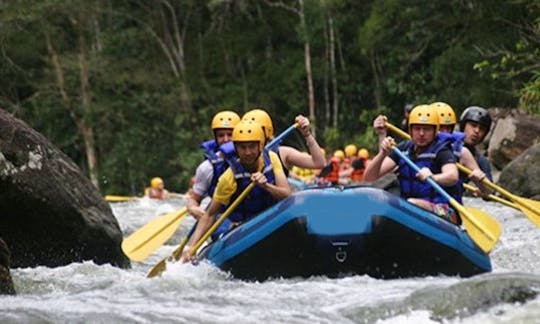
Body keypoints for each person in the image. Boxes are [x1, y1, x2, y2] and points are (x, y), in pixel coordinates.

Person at [182, 120, 291, 261]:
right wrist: (191, 247)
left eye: (252, 146)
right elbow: (210, 215)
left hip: (269, 219)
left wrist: (266, 186)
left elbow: (287, 195)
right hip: (241, 228)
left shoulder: (272, 158)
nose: (247, 152)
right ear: (235, 148)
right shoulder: (229, 178)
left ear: (261, 145)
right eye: (242, 147)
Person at [365, 105, 461, 224]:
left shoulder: (442, 151)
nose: (421, 133)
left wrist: (433, 177)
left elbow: (453, 176)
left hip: (441, 210)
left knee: (411, 204)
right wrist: (382, 153)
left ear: (435, 131)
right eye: (417, 128)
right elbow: (369, 177)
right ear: (410, 130)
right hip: (409, 206)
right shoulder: (403, 149)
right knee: (385, 200)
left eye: (427, 129)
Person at [185, 110, 241, 220]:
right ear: (215, 138)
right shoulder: (207, 168)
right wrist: (192, 208)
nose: (226, 139)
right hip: (225, 219)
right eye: (221, 135)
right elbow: (194, 199)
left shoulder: (254, 156)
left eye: (230, 135)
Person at [242, 109, 326, 173]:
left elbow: (319, 163)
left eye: (257, 131)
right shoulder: (237, 156)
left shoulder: (282, 153)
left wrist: (306, 134)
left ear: (267, 132)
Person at [431, 102, 487, 195]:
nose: (444, 133)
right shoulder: (411, 147)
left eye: (448, 128)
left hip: (443, 205)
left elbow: (489, 192)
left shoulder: (462, 152)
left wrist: (481, 184)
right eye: (440, 128)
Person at [459, 106, 493, 181]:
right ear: (463, 126)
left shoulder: (481, 161)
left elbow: (490, 190)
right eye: (473, 125)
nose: (477, 131)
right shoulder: (445, 147)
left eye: (482, 129)